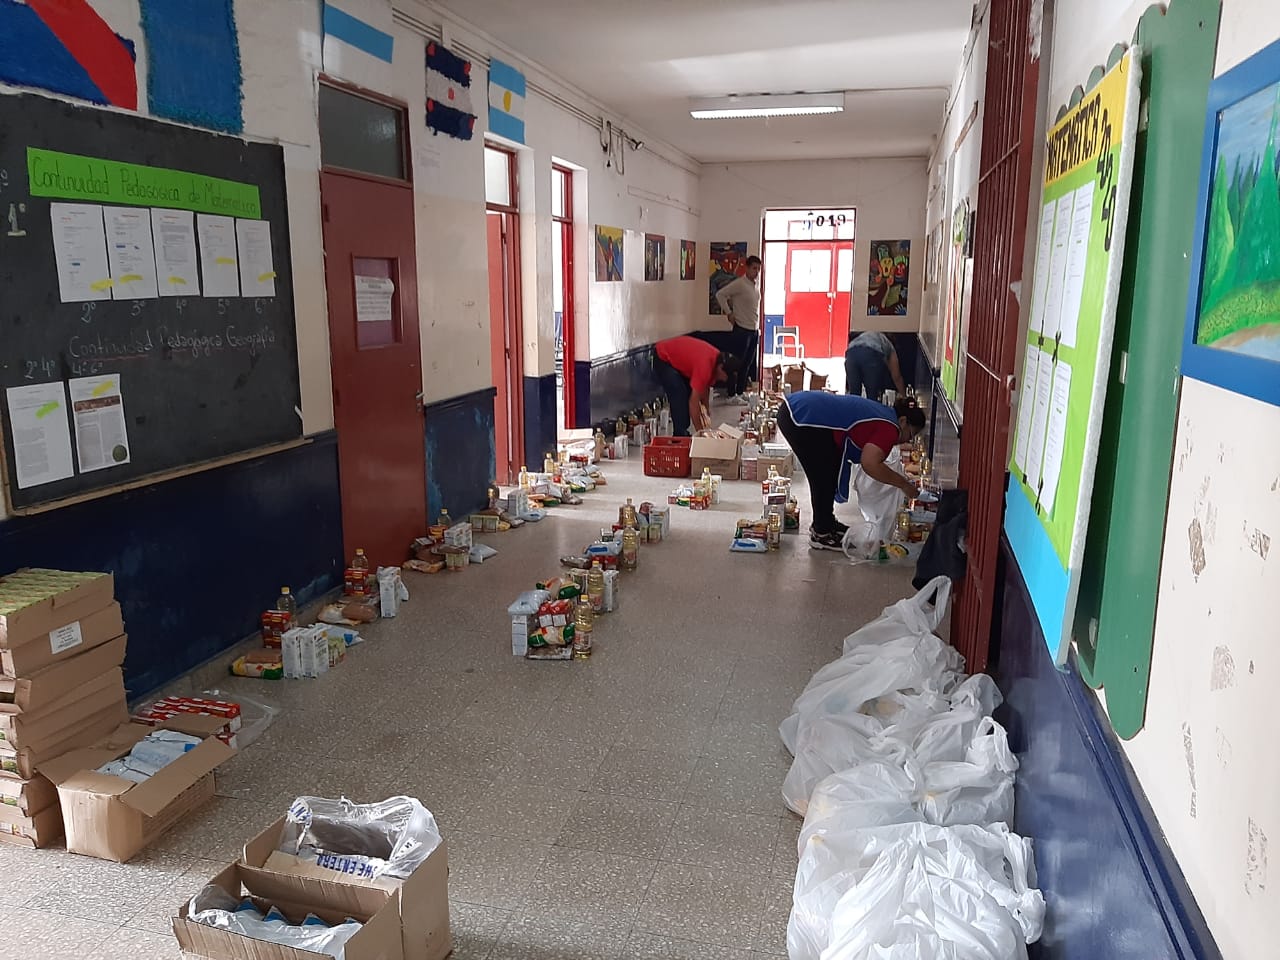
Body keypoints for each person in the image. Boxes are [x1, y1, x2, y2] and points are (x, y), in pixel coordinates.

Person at [777, 391, 927, 551]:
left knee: (828, 470)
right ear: (903, 421)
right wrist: (903, 484)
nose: (906, 440)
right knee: (823, 475)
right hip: (802, 418)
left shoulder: (885, 415)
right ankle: (822, 533)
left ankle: (825, 522)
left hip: (799, 410)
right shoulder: (890, 428)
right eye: (910, 434)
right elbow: (870, 463)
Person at [652, 335, 740, 436]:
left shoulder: (716, 360)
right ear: (721, 368)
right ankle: (680, 435)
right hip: (663, 356)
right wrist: (701, 433)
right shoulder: (705, 366)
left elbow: (704, 389)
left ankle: (683, 431)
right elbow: (693, 403)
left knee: (688, 393)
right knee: (680, 394)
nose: (725, 380)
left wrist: (706, 413)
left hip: (676, 357)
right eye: (726, 376)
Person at [714, 254, 762, 400]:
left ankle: (740, 392)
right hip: (741, 329)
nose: (756, 272)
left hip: (753, 330)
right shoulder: (740, 284)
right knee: (736, 364)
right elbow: (720, 295)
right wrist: (729, 313)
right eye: (754, 268)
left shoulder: (755, 286)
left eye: (758, 269)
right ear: (746, 268)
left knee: (747, 364)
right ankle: (731, 394)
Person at [845, 330, 906, 401]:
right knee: (872, 395)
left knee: (854, 395)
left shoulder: (865, 336)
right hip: (871, 354)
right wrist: (904, 396)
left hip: (851, 353)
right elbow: (897, 377)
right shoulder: (889, 345)